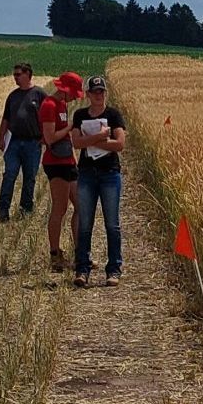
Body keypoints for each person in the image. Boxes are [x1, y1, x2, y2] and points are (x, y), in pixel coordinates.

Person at [71, 75, 127, 287]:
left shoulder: (113, 115)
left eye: (101, 91)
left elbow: (120, 144)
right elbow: (76, 143)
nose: (98, 95)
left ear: (105, 93)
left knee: (112, 224)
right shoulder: (79, 115)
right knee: (85, 224)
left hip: (109, 173)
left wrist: (93, 141)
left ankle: (113, 269)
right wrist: (101, 138)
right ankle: (82, 269)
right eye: (94, 92)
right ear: (88, 95)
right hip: (86, 173)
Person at [40, 71, 84, 274]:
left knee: (80, 206)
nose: (76, 97)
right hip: (55, 162)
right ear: (64, 90)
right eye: (74, 93)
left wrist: (74, 159)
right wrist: (70, 127)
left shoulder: (63, 105)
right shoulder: (49, 105)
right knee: (60, 208)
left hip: (67, 161)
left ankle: (80, 253)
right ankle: (55, 253)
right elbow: (50, 138)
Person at [0, 62, 45, 221]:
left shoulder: (39, 94)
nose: (15, 77)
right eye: (14, 74)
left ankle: (26, 207)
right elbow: (6, 119)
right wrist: (1, 137)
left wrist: (45, 137)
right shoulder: (13, 96)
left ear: (27, 74)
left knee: (29, 176)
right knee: (9, 174)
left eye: (18, 74)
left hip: (33, 143)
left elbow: (47, 118)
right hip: (14, 142)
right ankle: (3, 209)